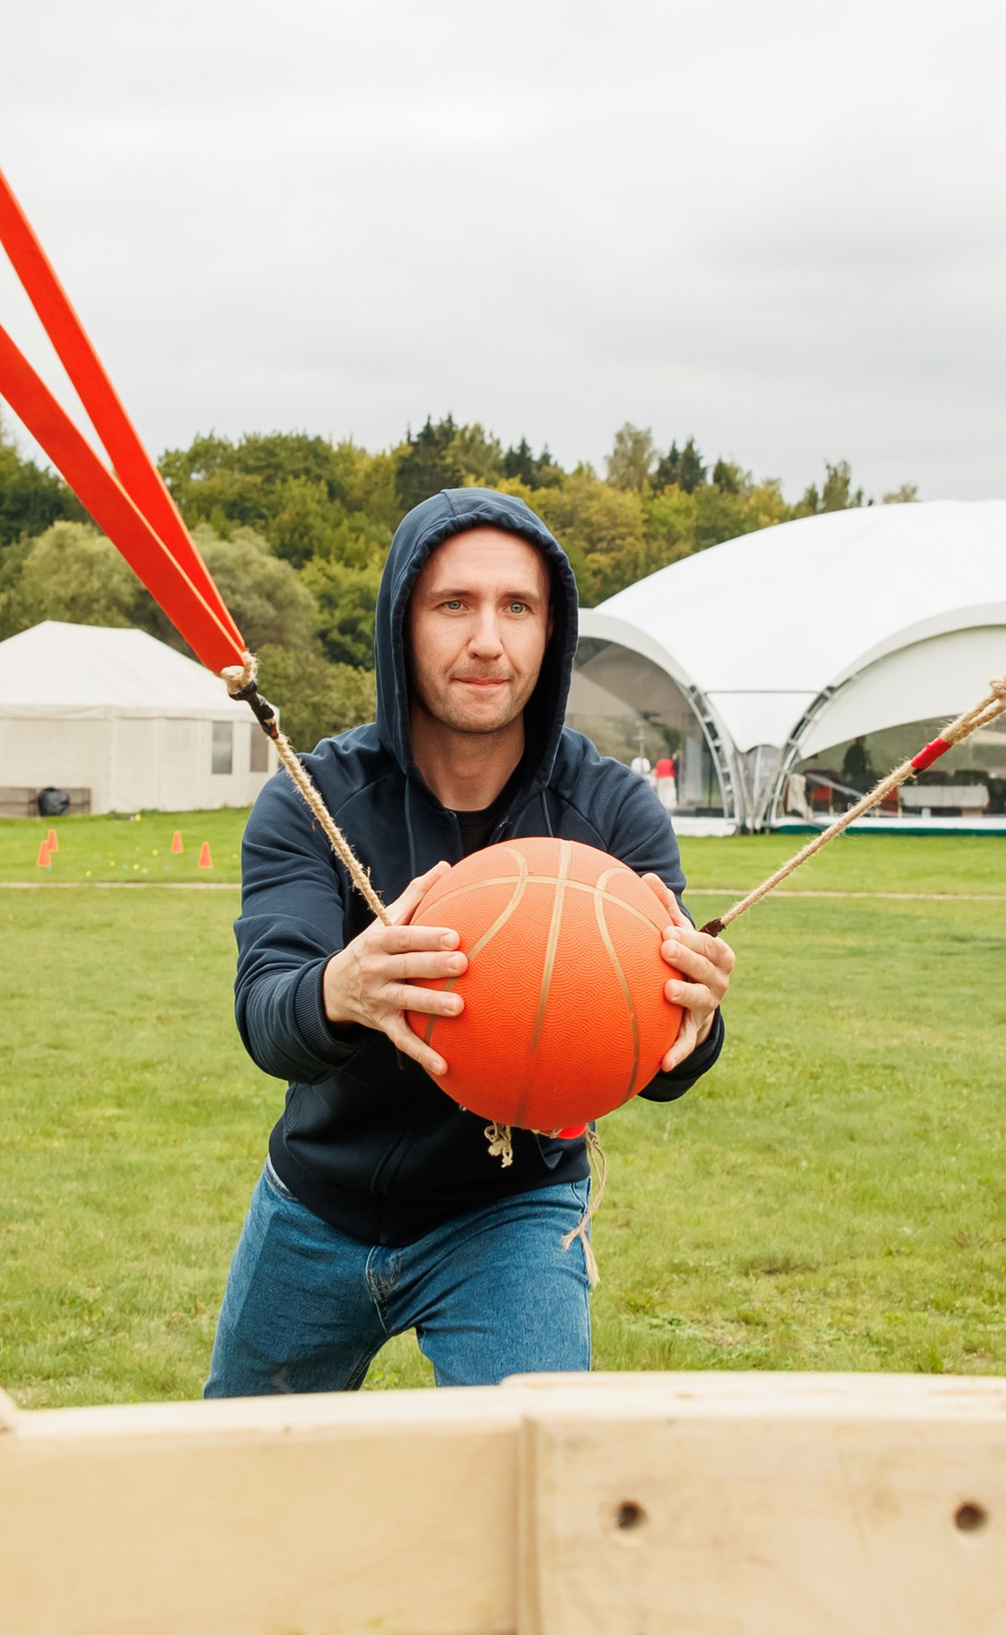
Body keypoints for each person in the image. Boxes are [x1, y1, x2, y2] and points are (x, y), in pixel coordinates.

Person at [213, 489, 736, 1396]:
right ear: (401, 622)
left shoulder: (612, 810)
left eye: (518, 607)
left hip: (512, 1215)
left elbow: (661, 1062)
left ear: (552, 630)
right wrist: (341, 988)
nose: (487, 639)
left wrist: (697, 1018)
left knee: (538, 1472)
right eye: (454, 604)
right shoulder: (312, 796)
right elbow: (267, 1016)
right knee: (240, 1483)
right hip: (316, 1207)